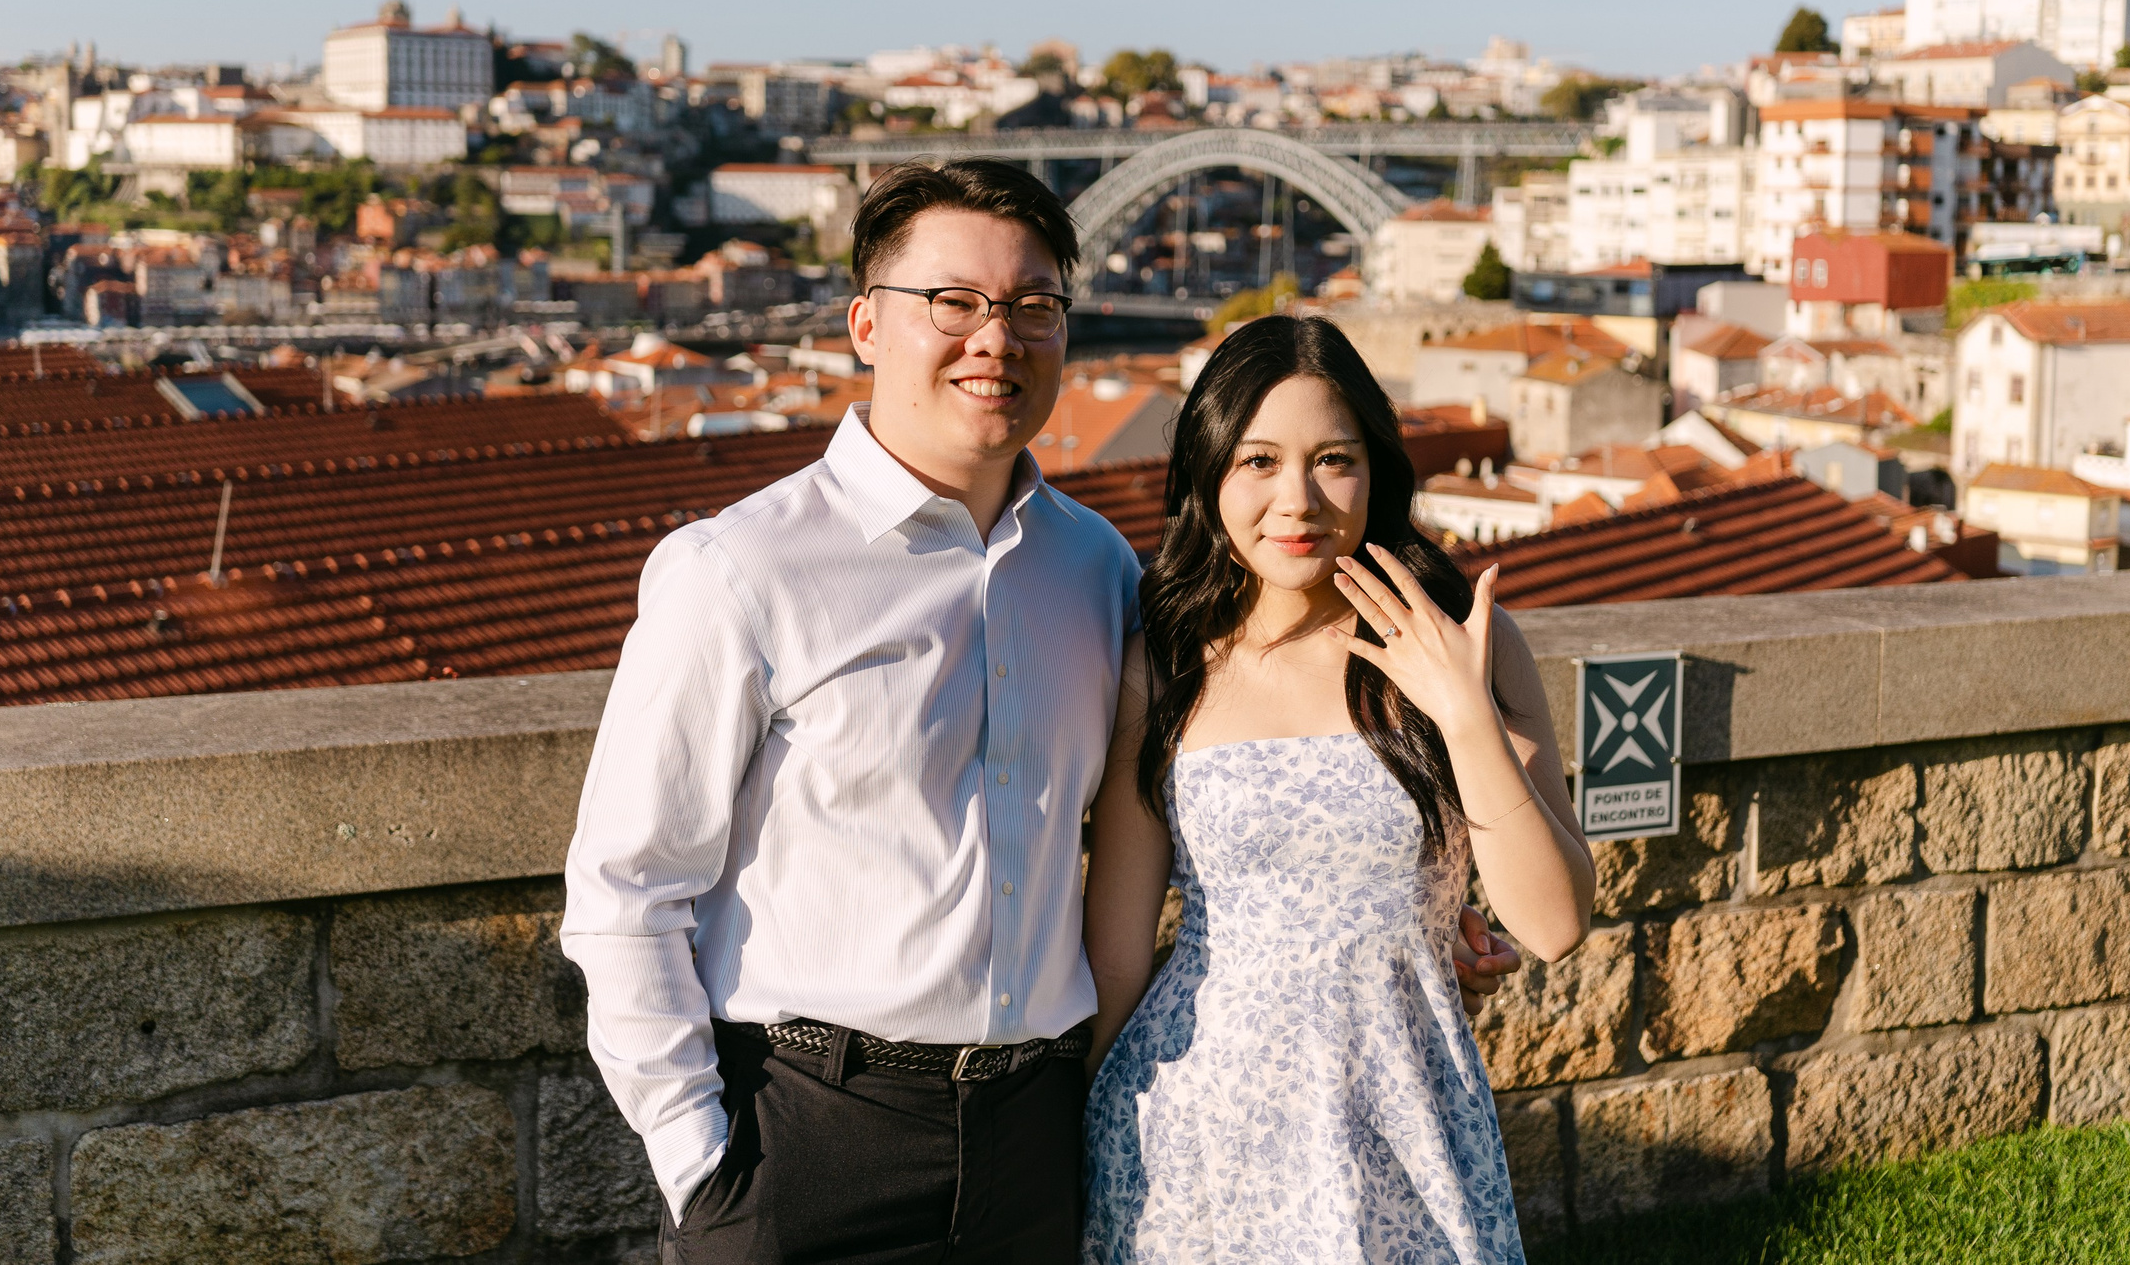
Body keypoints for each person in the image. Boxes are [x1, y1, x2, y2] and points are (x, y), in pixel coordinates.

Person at [563, 161, 1519, 1265]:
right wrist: (702, 1170)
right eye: (954, 302)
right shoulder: (739, 571)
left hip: (1035, 1132)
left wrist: (1398, 898)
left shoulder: (1098, 572)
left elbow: (1219, 776)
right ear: (867, 322)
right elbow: (626, 891)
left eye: (1031, 307)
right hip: (812, 1133)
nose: (996, 337)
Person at [1081, 314, 1594, 1264]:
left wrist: (1463, 711)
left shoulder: (1466, 644)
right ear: (1209, 477)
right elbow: (1117, 954)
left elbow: (1555, 922)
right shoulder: (1163, 664)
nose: (1298, 499)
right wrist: (1063, 1147)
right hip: (1193, 1129)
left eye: (1333, 460)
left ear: (1377, 471)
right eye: (1258, 460)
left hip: (1405, 1109)